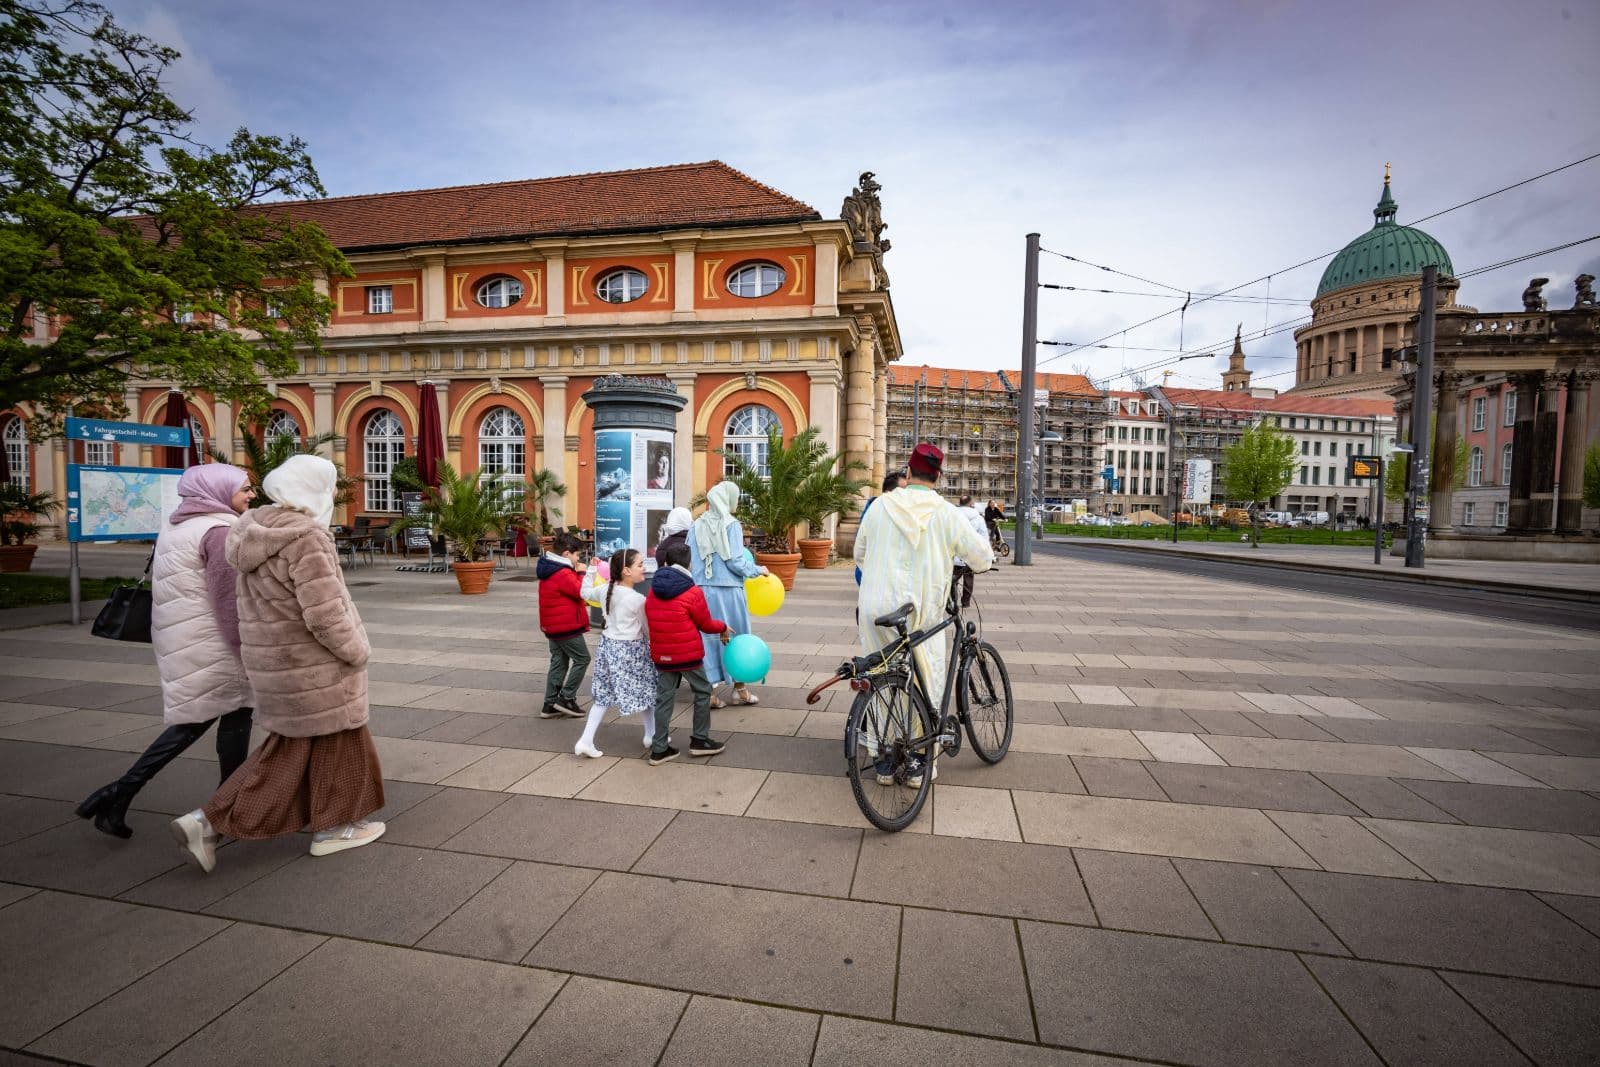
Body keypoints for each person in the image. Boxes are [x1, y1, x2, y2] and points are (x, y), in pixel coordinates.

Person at [170, 455, 385, 873]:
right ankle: (215, 821)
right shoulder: (307, 537)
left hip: (275, 665)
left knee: (302, 746)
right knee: (320, 746)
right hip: (314, 667)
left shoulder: (250, 530)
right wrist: (357, 651)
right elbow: (324, 613)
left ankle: (329, 824)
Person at [76, 463, 256, 839]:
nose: (252, 495)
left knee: (209, 719)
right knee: (215, 720)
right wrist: (247, 649)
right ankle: (219, 809)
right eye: (245, 489)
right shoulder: (219, 531)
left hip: (181, 636)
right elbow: (228, 601)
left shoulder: (176, 524)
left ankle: (122, 797)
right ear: (219, 492)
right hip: (215, 641)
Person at [855, 443, 993, 785]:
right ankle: (919, 761)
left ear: (907, 472)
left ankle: (884, 758)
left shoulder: (879, 507)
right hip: (921, 610)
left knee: (880, 676)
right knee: (925, 678)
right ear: (939, 475)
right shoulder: (946, 513)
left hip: (875, 607)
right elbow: (982, 558)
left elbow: (859, 553)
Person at [643, 540, 728, 765]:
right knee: (703, 691)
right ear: (689, 565)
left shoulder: (653, 590)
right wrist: (723, 627)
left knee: (664, 698)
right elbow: (706, 624)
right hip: (687, 655)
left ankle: (659, 748)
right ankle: (700, 740)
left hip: (663, 654)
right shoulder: (692, 591)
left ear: (667, 562)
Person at [689, 481, 768, 708]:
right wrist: (757, 570)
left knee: (709, 639)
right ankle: (739, 689)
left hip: (703, 591)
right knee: (737, 637)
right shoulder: (731, 524)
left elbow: (692, 560)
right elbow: (735, 561)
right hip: (729, 591)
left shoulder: (696, 525)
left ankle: (711, 692)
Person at [574, 548, 654, 758]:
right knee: (647, 691)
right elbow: (646, 630)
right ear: (626, 570)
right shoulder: (638, 599)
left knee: (602, 695)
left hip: (608, 647)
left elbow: (584, 593)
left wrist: (590, 570)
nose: (643, 568)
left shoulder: (605, 590)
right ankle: (651, 734)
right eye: (639, 564)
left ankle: (586, 739)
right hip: (632, 650)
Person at [537, 530, 591, 718]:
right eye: (577, 555)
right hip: (565, 626)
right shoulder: (562, 571)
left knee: (559, 662)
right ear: (567, 553)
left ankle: (549, 704)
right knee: (583, 658)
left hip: (553, 625)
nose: (578, 559)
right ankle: (566, 698)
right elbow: (579, 591)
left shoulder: (550, 567)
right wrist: (583, 572)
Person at [854, 471, 907, 588]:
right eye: (904, 491)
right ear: (889, 492)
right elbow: (859, 552)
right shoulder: (873, 512)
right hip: (872, 579)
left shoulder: (901, 513)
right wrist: (871, 575)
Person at [951, 494, 988, 610]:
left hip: (953, 554)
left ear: (960, 503)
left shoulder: (951, 515)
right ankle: (965, 602)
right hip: (970, 554)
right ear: (971, 504)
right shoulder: (978, 518)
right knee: (968, 578)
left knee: (953, 579)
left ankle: (953, 601)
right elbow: (984, 538)